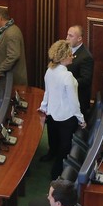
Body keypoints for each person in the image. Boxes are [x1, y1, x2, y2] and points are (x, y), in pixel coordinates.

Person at [38, 40, 86, 180]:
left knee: (55, 142)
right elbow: (74, 102)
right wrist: (81, 119)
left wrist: (43, 107)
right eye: (71, 54)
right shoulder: (67, 76)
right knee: (65, 148)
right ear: (64, 57)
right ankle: (56, 174)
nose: (73, 56)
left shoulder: (49, 71)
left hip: (52, 114)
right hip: (67, 118)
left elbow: (47, 92)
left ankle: (55, 167)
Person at [0, 7, 27, 92]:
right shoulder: (5, 31)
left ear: (0, 18)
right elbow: (4, 48)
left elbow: (13, 56)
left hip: (9, 81)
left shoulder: (11, 33)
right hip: (6, 81)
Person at [65, 25, 94, 115]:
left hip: (77, 100)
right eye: (67, 35)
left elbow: (85, 80)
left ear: (79, 38)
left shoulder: (86, 57)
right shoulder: (65, 50)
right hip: (65, 99)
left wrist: (67, 82)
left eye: (71, 36)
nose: (67, 38)